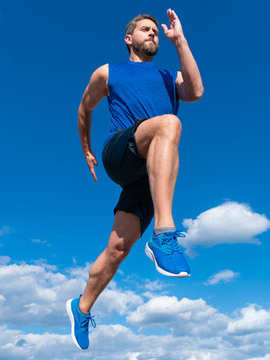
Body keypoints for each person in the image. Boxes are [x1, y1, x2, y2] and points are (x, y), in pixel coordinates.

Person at [66, 9, 204, 350]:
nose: (153, 34)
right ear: (129, 38)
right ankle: (164, 235)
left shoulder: (168, 77)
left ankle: (81, 307)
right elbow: (84, 110)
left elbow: (196, 91)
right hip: (120, 151)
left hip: (147, 172)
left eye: (157, 31)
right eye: (146, 29)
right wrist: (86, 150)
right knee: (170, 123)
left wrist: (180, 40)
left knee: (118, 249)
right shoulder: (109, 72)